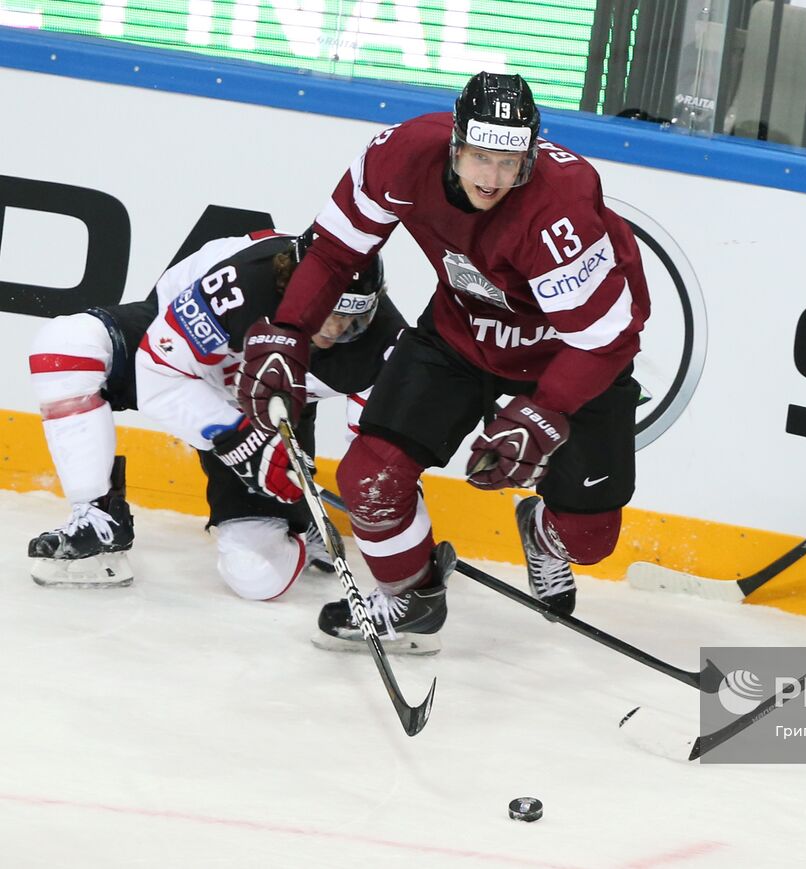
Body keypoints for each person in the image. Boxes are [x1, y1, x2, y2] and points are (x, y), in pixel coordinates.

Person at [234, 72, 650, 654]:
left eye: (510, 162)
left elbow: (606, 340)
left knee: (590, 539)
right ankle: (413, 597)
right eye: (480, 157)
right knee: (369, 480)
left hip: (567, 355)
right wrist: (288, 331)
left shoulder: (561, 208)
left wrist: (546, 411)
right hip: (459, 335)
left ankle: (545, 536)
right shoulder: (401, 155)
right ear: (455, 144)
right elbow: (334, 251)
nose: (493, 178)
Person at [27, 229, 402, 601]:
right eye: (328, 313)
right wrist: (239, 439)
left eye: (351, 320)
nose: (333, 332)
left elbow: (376, 451)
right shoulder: (240, 284)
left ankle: (300, 528)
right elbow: (160, 373)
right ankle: (98, 517)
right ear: (289, 283)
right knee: (66, 346)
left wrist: (393, 523)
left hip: (271, 410)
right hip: (179, 362)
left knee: (257, 578)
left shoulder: (384, 347)